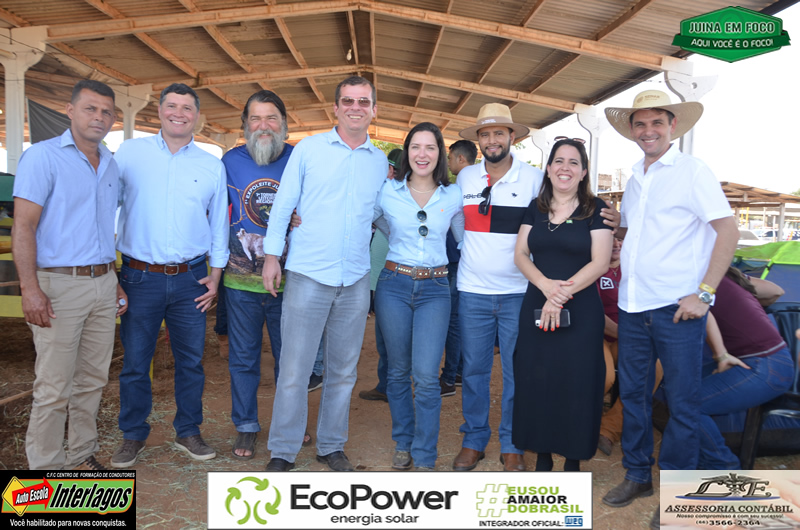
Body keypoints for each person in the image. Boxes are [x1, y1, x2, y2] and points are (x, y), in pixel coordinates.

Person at [454, 105, 619, 472]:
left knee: (522, 374)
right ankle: (473, 440)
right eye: (485, 134)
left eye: (500, 133)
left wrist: (615, 221)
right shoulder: (465, 178)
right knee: (475, 371)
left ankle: (513, 444)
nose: (493, 140)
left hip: (519, 293)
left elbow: (595, 246)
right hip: (475, 290)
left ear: (512, 137)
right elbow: (453, 221)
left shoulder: (532, 180)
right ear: (478, 140)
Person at [601, 90, 738, 529]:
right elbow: (645, 234)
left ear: (673, 126)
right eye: (640, 124)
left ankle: (681, 495)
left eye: (656, 123)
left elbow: (728, 231)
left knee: (682, 404)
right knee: (634, 396)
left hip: (676, 309)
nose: (648, 131)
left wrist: (705, 293)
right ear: (631, 130)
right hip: (633, 305)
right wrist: (617, 223)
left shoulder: (693, 171)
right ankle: (638, 475)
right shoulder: (636, 177)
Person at [261, 76, 387, 472]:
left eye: (363, 101)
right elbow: (284, 204)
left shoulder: (378, 162)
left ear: (374, 110)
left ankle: (331, 445)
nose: (355, 107)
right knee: (294, 370)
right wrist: (271, 257)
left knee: (343, 372)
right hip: (307, 275)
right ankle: (283, 449)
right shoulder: (309, 149)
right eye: (348, 100)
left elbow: (379, 214)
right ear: (335, 107)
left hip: (354, 279)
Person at [112, 83, 229, 467]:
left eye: (187, 108)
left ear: (197, 116)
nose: (179, 113)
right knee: (135, 362)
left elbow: (219, 226)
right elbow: (106, 207)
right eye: (172, 106)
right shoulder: (130, 154)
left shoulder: (211, 164)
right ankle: (132, 434)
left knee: (191, 361)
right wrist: (111, 273)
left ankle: (188, 431)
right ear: (159, 111)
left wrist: (216, 275)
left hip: (191, 278)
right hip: (138, 276)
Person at [12, 80, 126, 471]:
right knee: (54, 385)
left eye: (106, 112)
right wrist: (30, 288)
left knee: (93, 379)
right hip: (58, 285)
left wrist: (114, 280)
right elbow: (23, 225)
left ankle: (80, 454)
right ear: (70, 110)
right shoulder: (42, 157)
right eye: (90, 108)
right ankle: (45, 469)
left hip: (103, 282)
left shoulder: (109, 163)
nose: (99, 117)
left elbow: (100, 230)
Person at [511, 137, 613, 471]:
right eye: (559, 160)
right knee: (537, 378)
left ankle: (572, 458)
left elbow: (600, 262)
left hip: (581, 310)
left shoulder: (596, 210)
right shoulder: (536, 207)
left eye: (573, 162)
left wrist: (559, 296)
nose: (565, 168)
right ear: (548, 168)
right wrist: (545, 287)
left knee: (577, 382)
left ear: (583, 172)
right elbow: (520, 254)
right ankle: (542, 454)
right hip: (537, 304)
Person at [373, 122, 464, 470]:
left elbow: (465, 240)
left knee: (426, 376)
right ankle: (403, 441)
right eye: (415, 147)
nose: (422, 154)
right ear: (407, 152)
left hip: (436, 289)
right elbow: (369, 221)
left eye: (430, 147)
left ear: (440, 153)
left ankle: (425, 452)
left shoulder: (452, 195)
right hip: (394, 284)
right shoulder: (388, 191)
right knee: (397, 371)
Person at [221, 90, 295, 460]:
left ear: (284, 124)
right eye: (256, 118)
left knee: (290, 359)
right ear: (245, 125)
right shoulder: (229, 161)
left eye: (271, 118)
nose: (263, 126)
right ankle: (246, 425)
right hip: (241, 282)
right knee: (243, 357)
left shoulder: (299, 159)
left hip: (292, 282)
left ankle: (288, 425)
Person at [698, 267, 792, 469]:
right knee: (681, 392)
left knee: (688, 404)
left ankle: (723, 467)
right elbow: (776, 291)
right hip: (773, 360)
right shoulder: (727, 277)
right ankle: (700, 460)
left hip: (764, 365)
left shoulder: (698, 281)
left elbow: (703, 314)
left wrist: (720, 354)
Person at [595, 235, 663, 456]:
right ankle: (581, 421)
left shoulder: (636, 269)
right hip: (597, 335)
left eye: (621, 239)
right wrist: (628, 335)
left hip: (629, 337)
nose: (616, 244)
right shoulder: (593, 267)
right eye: (611, 239)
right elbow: (594, 312)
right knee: (604, 378)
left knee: (654, 367)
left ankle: (608, 429)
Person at [360, 147, 404, 403]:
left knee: (394, 337)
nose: (386, 172)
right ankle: (386, 385)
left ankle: (393, 388)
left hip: (398, 271)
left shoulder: (397, 194)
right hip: (384, 273)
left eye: (391, 168)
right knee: (384, 335)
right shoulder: (385, 192)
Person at [439, 139, 477, 397]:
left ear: (461, 159)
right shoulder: (482, 183)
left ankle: (450, 376)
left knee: (453, 319)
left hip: (457, 259)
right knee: (462, 318)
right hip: (469, 259)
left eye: (451, 158)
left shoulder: (461, 185)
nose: (449, 163)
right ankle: (460, 371)